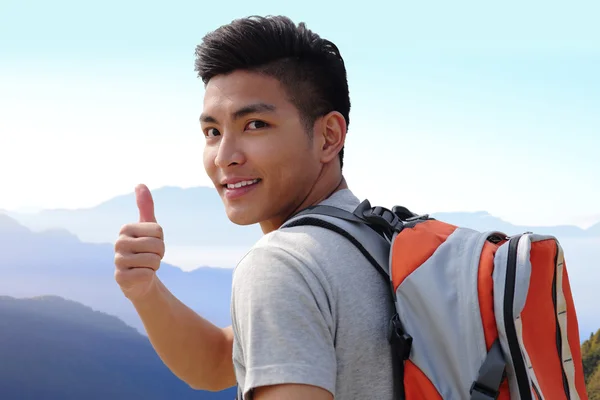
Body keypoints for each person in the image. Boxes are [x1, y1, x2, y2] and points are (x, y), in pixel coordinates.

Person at [114, 15, 394, 399]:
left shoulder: (283, 264)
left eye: (255, 125)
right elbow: (216, 362)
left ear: (329, 137)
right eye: (213, 132)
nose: (224, 157)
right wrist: (145, 290)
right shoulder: (380, 240)